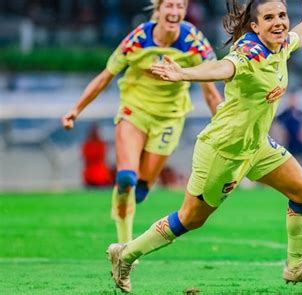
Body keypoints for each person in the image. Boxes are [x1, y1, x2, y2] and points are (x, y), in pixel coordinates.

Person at [107, 0, 302, 292]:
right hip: (224, 150)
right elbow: (221, 67)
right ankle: (124, 254)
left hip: (256, 146)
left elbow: (297, 37)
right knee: (190, 218)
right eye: (269, 18)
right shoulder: (249, 53)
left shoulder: (281, 44)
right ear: (255, 26)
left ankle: (295, 266)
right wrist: (184, 74)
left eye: (282, 15)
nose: (279, 22)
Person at [62, 0, 222, 245]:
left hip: (169, 118)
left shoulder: (194, 41)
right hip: (134, 111)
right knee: (126, 178)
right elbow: (106, 76)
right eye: (169, 6)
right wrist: (76, 109)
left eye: (180, 6)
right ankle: (124, 246)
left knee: (141, 190)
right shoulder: (138, 39)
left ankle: (127, 198)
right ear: (158, 9)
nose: (175, 12)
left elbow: (210, 90)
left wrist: (223, 123)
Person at [275, 92, 302, 162]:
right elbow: (278, 123)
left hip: (299, 140)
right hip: (288, 140)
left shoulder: (300, 112)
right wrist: (282, 132)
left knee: (300, 158)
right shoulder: (285, 113)